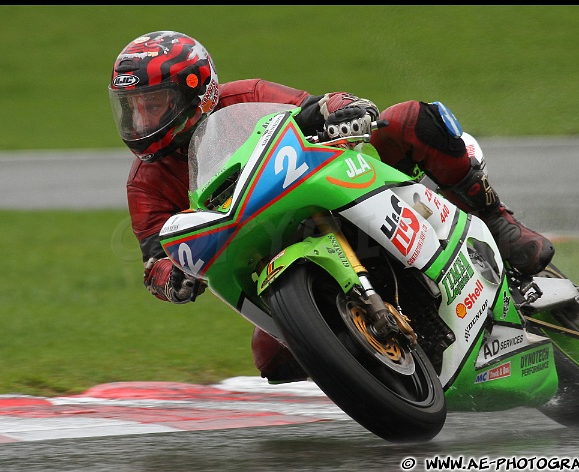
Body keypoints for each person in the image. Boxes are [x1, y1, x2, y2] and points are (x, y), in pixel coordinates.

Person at [108, 31, 554, 384]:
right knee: (271, 359)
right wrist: (173, 278)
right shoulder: (144, 182)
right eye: (132, 110)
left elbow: (312, 109)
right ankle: (369, 366)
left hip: (325, 189)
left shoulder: (244, 97)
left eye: (153, 105)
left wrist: (343, 109)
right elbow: (155, 256)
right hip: (265, 248)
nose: (141, 121)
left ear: (195, 92)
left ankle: (498, 222)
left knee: (410, 120)